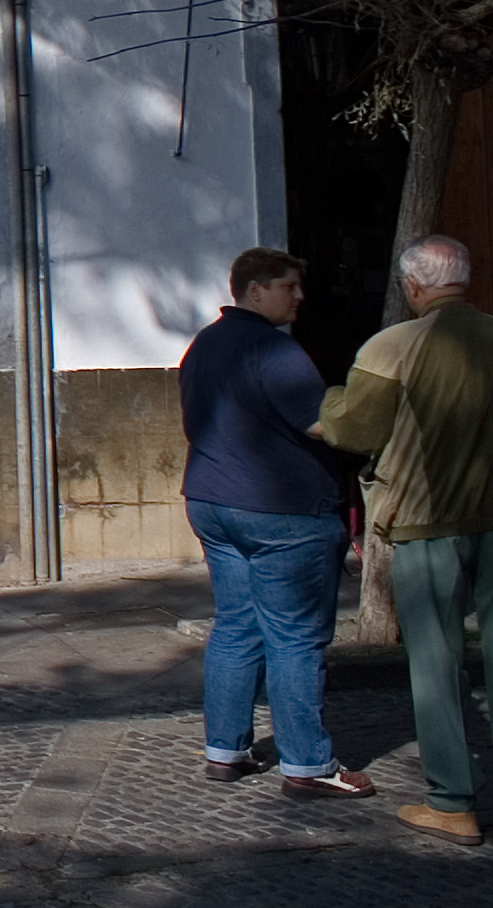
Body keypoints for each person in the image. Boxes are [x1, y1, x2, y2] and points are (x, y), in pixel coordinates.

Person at [315, 235, 493, 847]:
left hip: (426, 523)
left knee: (435, 664)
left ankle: (451, 800)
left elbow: (355, 427)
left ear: (412, 287)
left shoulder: (393, 346)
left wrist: (331, 400)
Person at [178, 246, 376, 796]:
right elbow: (321, 425)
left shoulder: (204, 344)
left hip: (212, 501)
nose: (300, 298)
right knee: (295, 637)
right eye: (289, 287)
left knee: (236, 625)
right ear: (255, 289)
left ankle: (225, 750)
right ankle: (308, 764)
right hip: (282, 512)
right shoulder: (276, 350)